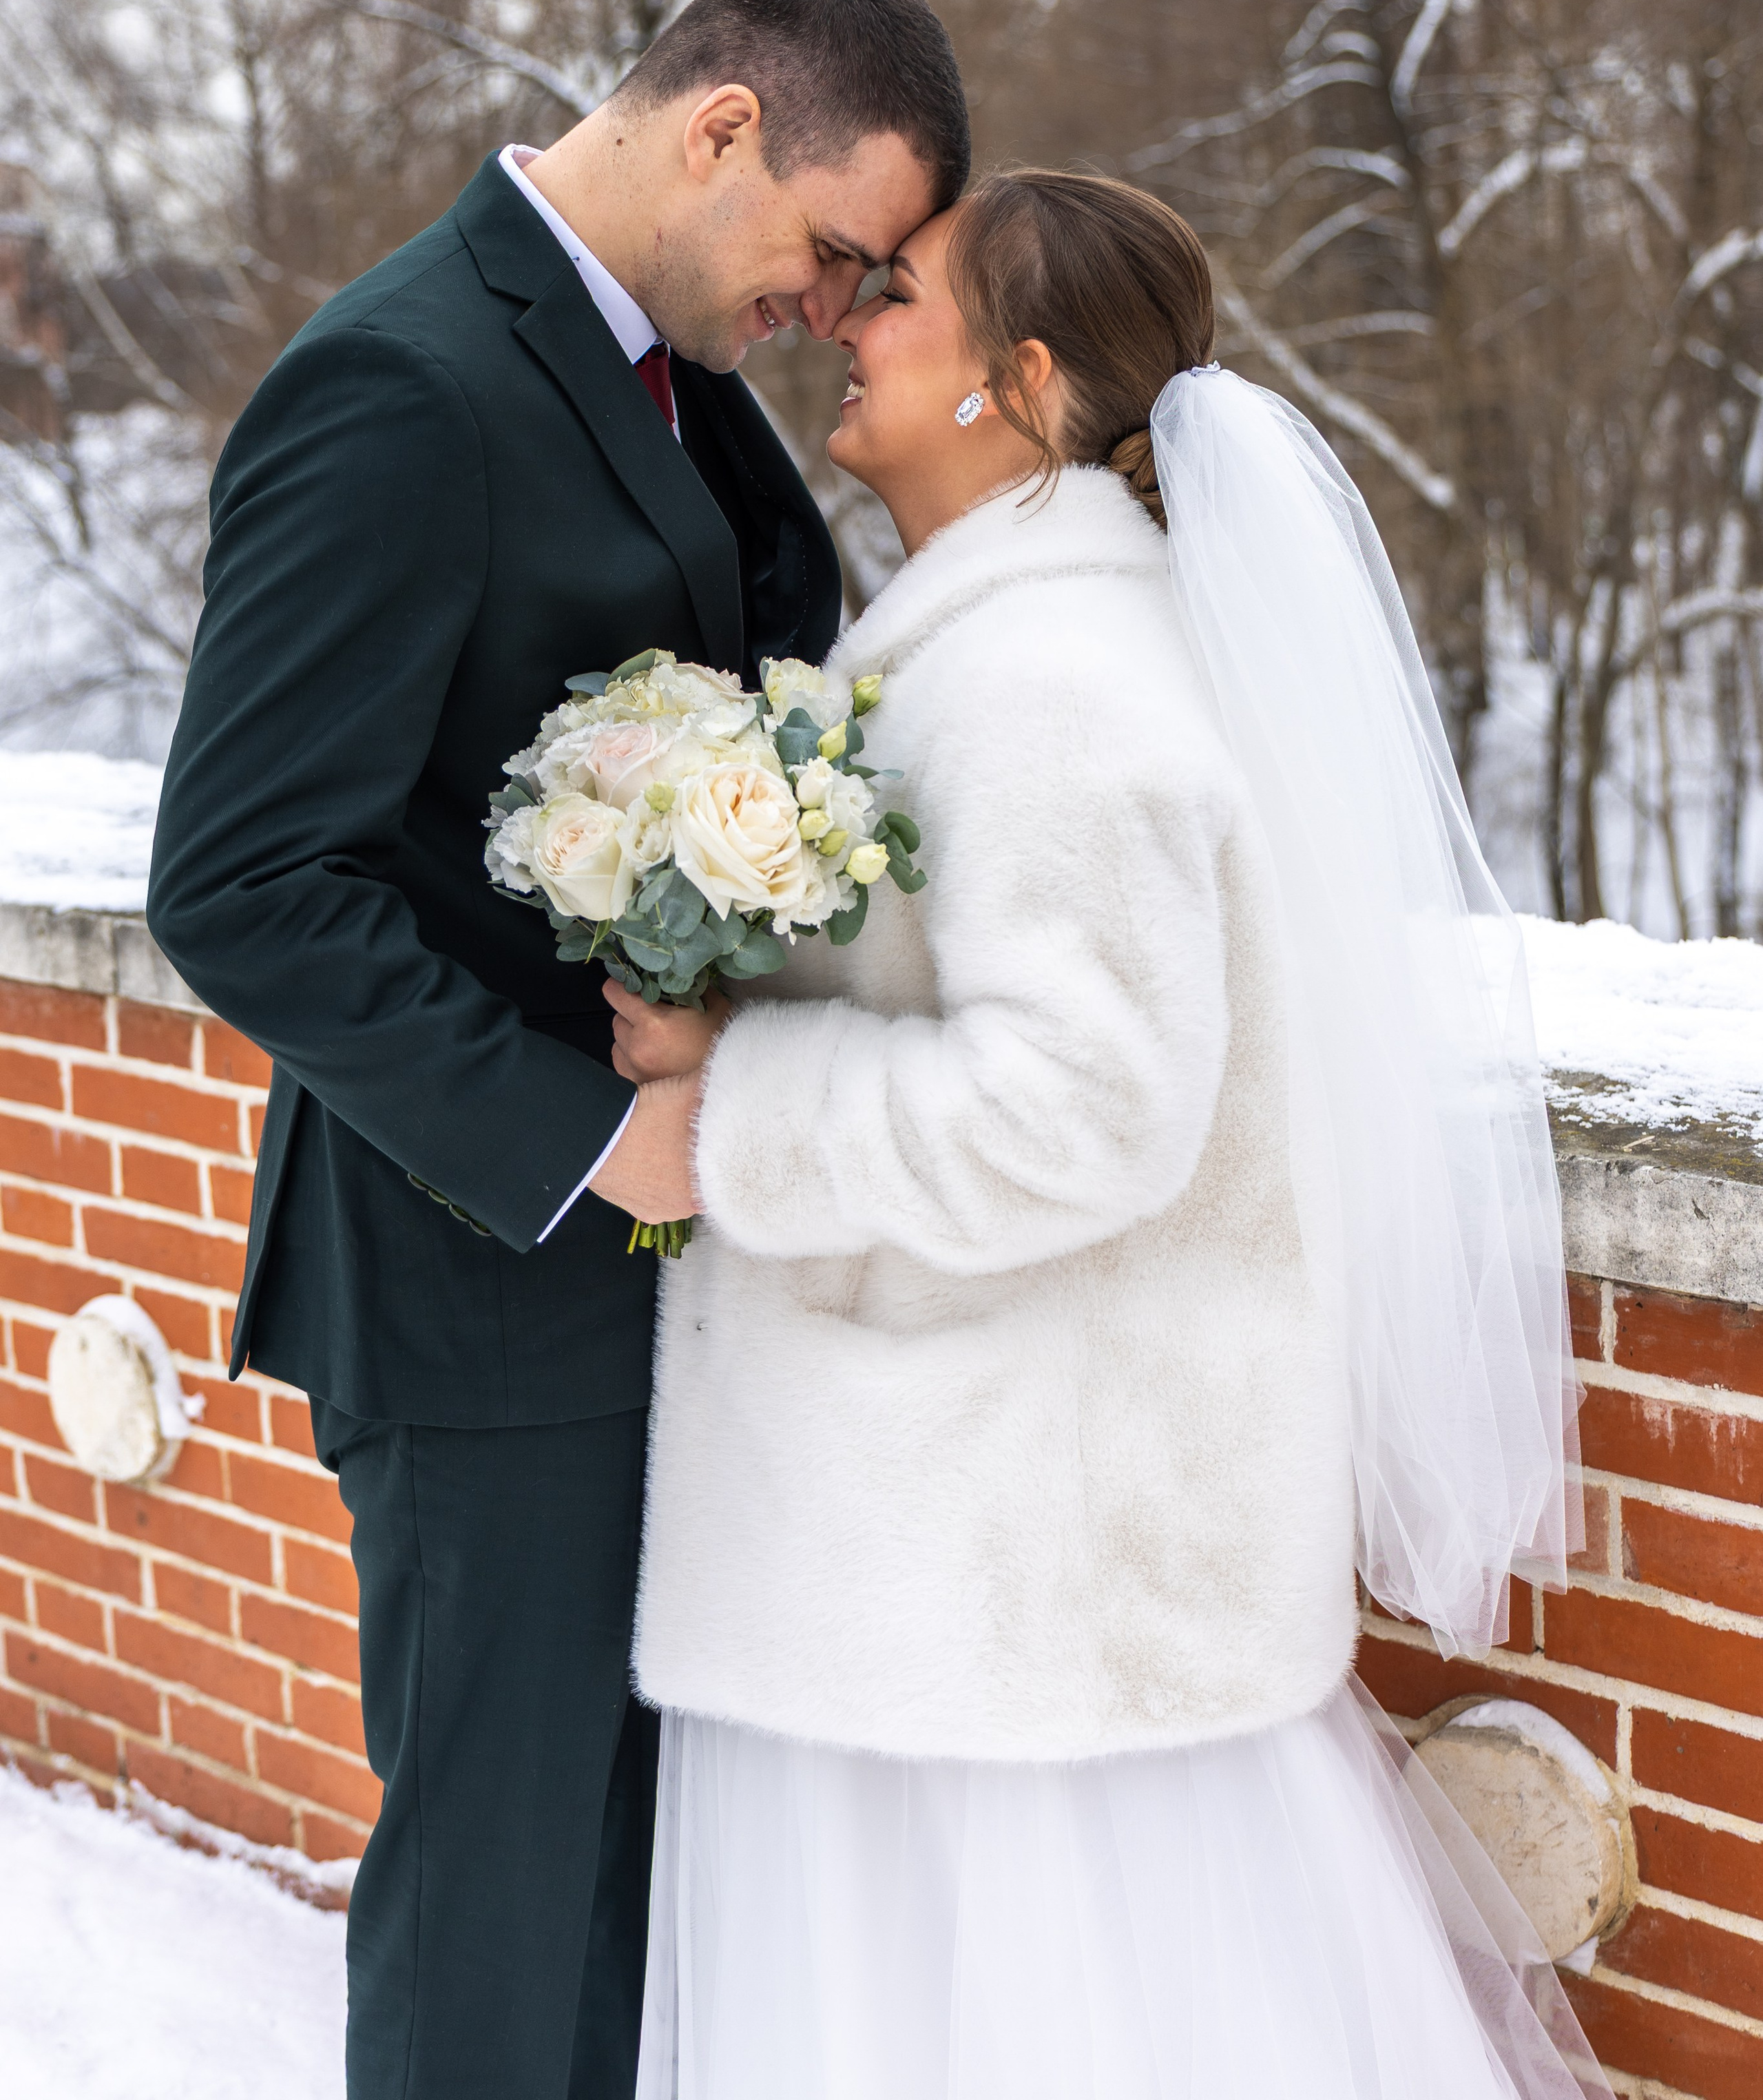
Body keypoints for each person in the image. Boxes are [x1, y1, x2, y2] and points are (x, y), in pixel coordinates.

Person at [601, 170, 1611, 2099]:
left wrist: (739, 1112)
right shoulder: (1001, 647)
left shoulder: (1054, 680)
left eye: (898, 294)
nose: (846, 319)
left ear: (1020, 377)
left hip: (1002, 1597)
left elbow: (1085, 1108)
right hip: (965, 1564)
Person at [145, 0, 970, 2100]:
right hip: (479, 1284)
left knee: (630, 1911)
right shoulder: (403, 382)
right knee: (502, 1933)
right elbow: (241, 880)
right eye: (833, 248)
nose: (832, 305)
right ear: (720, 133)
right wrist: (598, 1146)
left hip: (658, 1289)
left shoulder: (666, 371)